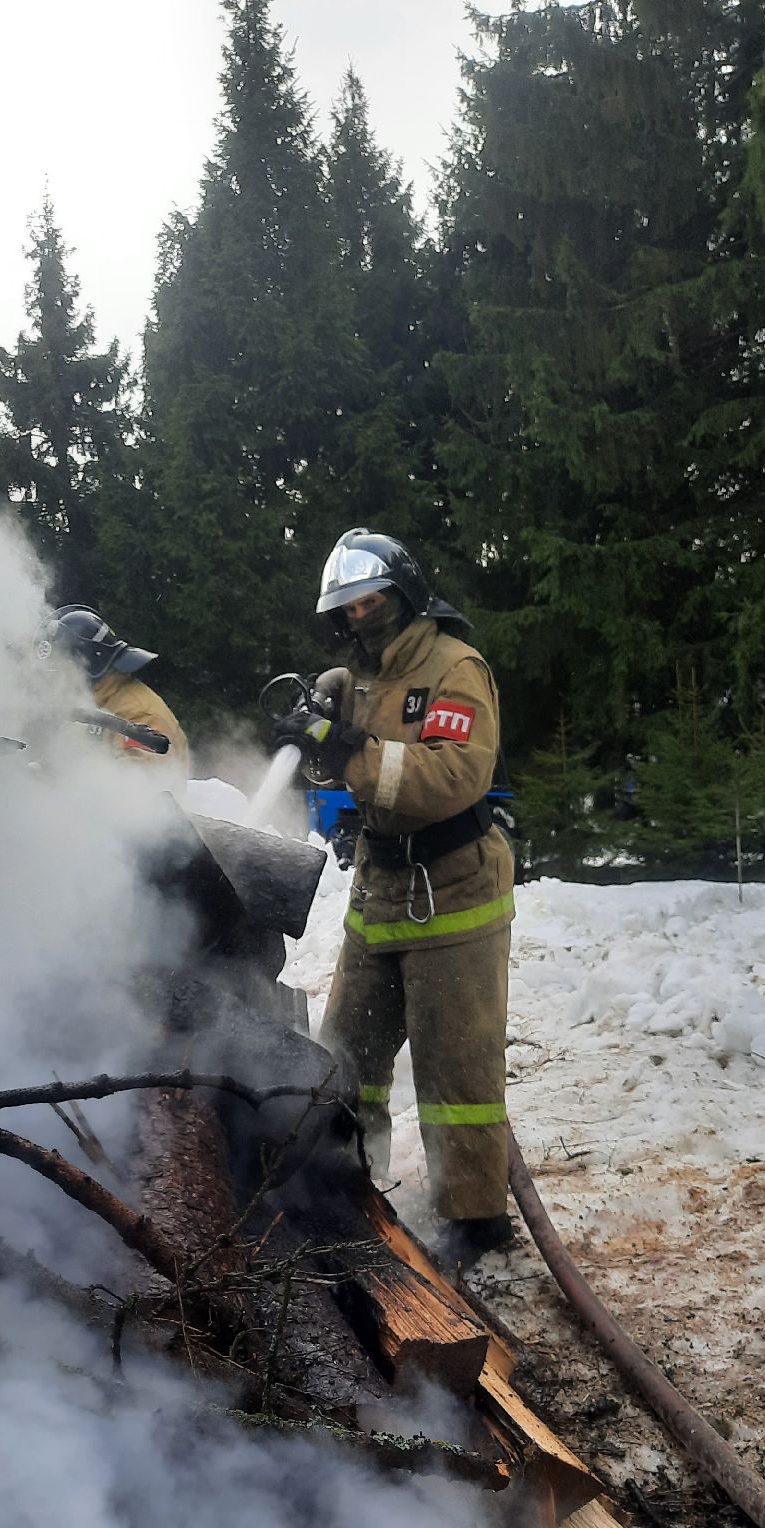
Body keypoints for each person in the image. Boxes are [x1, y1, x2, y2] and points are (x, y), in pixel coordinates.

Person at [272, 528, 515, 1267]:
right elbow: (343, 733)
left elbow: (453, 777)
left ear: (404, 594)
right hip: (380, 890)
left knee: (456, 1070)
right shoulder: (359, 675)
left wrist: (350, 752)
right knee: (345, 1054)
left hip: (454, 892)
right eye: (348, 610)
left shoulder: (452, 669)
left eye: (372, 601)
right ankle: (347, 1185)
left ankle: (475, 1221)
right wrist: (317, 722)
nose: (361, 618)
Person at [37, 604, 189, 778]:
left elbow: (137, 787)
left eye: (59, 670)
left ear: (84, 667)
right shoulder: (96, 704)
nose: (55, 681)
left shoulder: (142, 714)